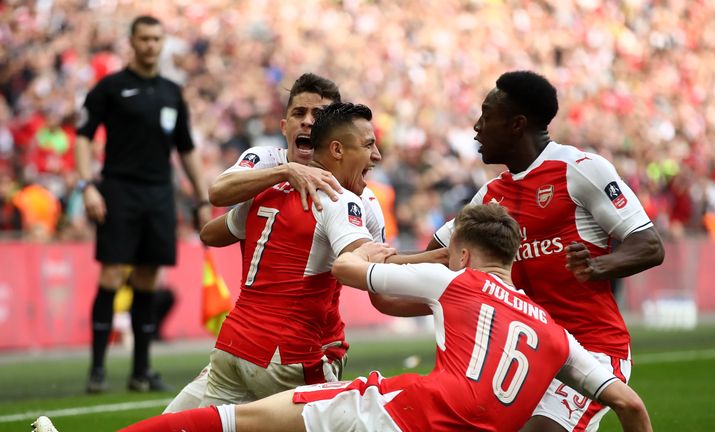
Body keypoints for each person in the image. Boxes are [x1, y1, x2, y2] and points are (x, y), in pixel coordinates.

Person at [33, 204, 652, 432]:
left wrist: (367, 238)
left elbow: (352, 274)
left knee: (244, 419)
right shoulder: (554, 331)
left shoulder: (452, 278)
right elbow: (630, 406)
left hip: (404, 411)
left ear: (462, 250)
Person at [425, 71, 665, 431]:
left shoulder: (581, 170)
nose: (476, 127)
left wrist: (599, 267)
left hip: (592, 348)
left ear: (517, 124)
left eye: (486, 116)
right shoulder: (491, 195)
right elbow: (438, 254)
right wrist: (375, 262)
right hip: (526, 354)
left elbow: (649, 245)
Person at [163, 73, 385, 412]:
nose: (308, 122)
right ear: (284, 125)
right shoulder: (273, 170)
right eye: (299, 113)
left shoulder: (355, 198)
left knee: (185, 420)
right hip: (295, 353)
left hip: (248, 342)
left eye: (319, 115)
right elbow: (216, 200)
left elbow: (378, 286)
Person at [74, 15, 211, 393]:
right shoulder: (109, 88)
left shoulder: (171, 92)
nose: (151, 45)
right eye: (144, 39)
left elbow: (186, 149)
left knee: (149, 278)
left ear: (162, 42)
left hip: (159, 195)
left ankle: (141, 369)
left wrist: (202, 197)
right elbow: (83, 136)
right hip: (118, 190)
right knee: (113, 274)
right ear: (131, 42)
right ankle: (98, 369)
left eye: (157, 38)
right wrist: (87, 185)